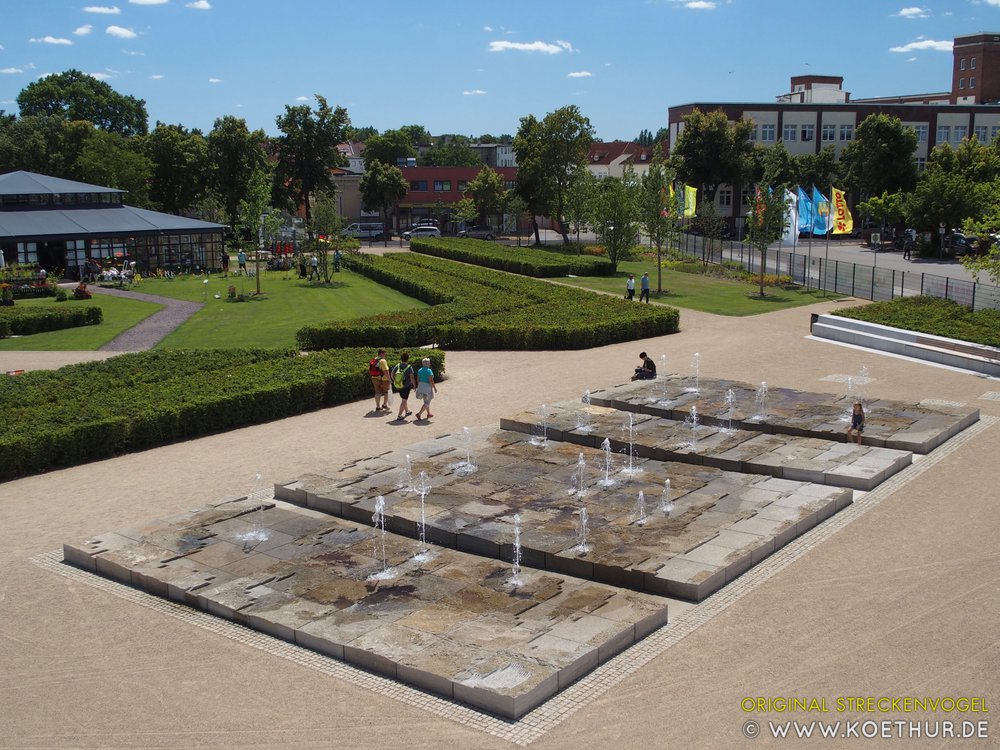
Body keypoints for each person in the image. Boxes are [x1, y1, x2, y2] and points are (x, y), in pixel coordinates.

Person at [391, 352, 416, 421]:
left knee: (403, 399)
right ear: (408, 359)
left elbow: (392, 374)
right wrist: (414, 385)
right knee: (404, 400)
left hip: (398, 385)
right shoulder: (409, 367)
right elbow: (412, 377)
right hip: (406, 386)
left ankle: (407, 411)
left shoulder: (398, 365)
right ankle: (399, 415)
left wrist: (395, 381)